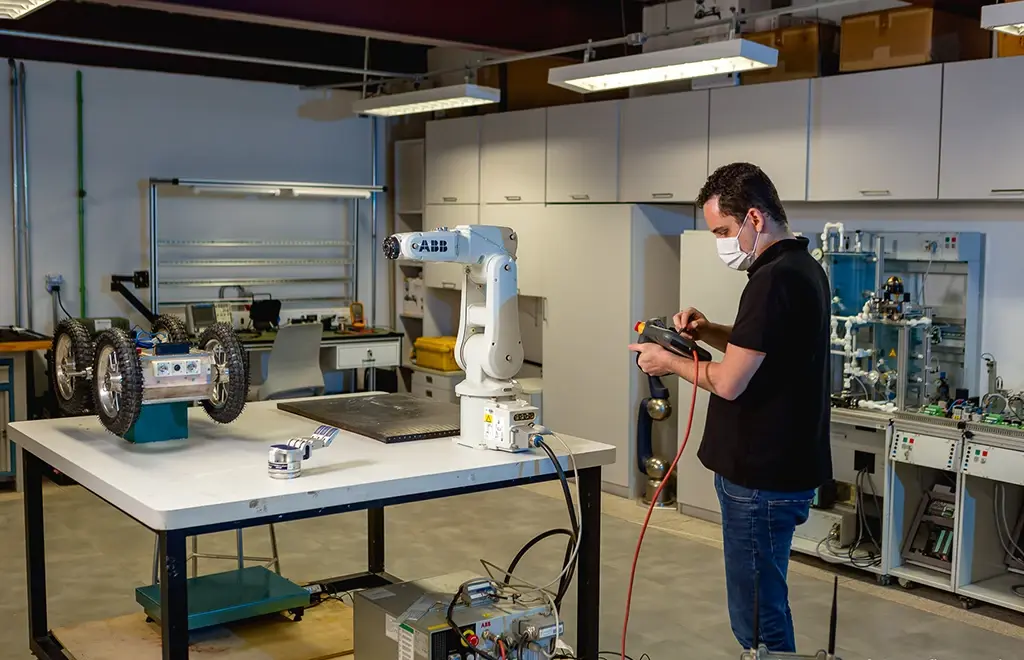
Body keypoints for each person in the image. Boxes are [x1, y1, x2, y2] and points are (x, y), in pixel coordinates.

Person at [628, 162, 832, 653]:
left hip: (760, 479)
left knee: (758, 614)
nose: (722, 241)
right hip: (782, 471)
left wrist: (665, 362)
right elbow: (759, 347)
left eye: (723, 230)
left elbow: (729, 380)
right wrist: (708, 330)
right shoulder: (802, 269)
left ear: (755, 218)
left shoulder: (772, 280)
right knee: (766, 596)